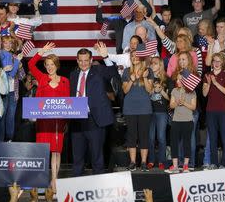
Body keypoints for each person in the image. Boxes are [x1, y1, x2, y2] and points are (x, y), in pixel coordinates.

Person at [69, 48, 118, 176]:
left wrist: (106, 57)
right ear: (77, 61)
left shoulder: (99, 71)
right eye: (81, 61)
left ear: (91, 60)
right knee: (77, 158)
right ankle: (76, 188)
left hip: (94, 120)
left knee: (96, 157)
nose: (83, 63)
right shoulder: (73, 75)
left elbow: (113, 72)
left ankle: (98, 188)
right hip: (76, 120)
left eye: (86, 60)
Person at [28, 42, 70, 190]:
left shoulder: (65, 81)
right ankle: (41, 180)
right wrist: (41, 51)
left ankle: (54, 180)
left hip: (58, 122)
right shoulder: (42, 78)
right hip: (44, 122)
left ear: (57, 65)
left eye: (52, 64)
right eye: (47, 64)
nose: (50, 67)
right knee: (43, 150)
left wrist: (66, 123)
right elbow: (31, 65)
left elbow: (68, 104)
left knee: (57, 151)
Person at [165, 52, 197, 173]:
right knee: (174, 142)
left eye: (179, 79)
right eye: (177, 79)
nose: (177, 81)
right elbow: (171, 105)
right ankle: (175, 166)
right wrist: (177, 102)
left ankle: (185, 166)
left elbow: (193, 107)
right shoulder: (174, 90)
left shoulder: (192, 92)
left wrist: (184, 103)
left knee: (187, 143)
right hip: (176, 121)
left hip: (188, 121)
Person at [121, 49, 153, 171]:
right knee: (132, 136)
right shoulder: (126, 71)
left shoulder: (148, 71)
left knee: (144, 136)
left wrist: (144, 78)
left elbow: (150, 90)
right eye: (132, 56)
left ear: (141, 57)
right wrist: (131, 79)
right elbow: (125, 90)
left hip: (144, 108)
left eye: (136, 56)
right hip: (130, 108)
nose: (134, 58)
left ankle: (144, 162)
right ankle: (133, 162)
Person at [203, 52, 225, 169]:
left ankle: (224, 163)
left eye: (218, 61)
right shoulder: (207, 75)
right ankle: (214, 163)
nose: (216, 63)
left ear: (223, 63)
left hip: (223, 110)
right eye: (214, 61)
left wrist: (215, 83)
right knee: (213, 138)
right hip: (210, 110)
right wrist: (209, 83)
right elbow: (204, 94)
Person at [148, 57, 170, 170]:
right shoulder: (148, 78)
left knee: (161, 137)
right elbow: (145, 95)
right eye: (151, 63)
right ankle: (151, 160)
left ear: (160, 65)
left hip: (162, 112)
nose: (152, 65)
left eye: (155, 63)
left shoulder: (166, 79)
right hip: (149, 111)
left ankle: (162, 161)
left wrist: (161, 90)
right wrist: (151, 90)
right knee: (150, 138)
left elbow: (170, 98)